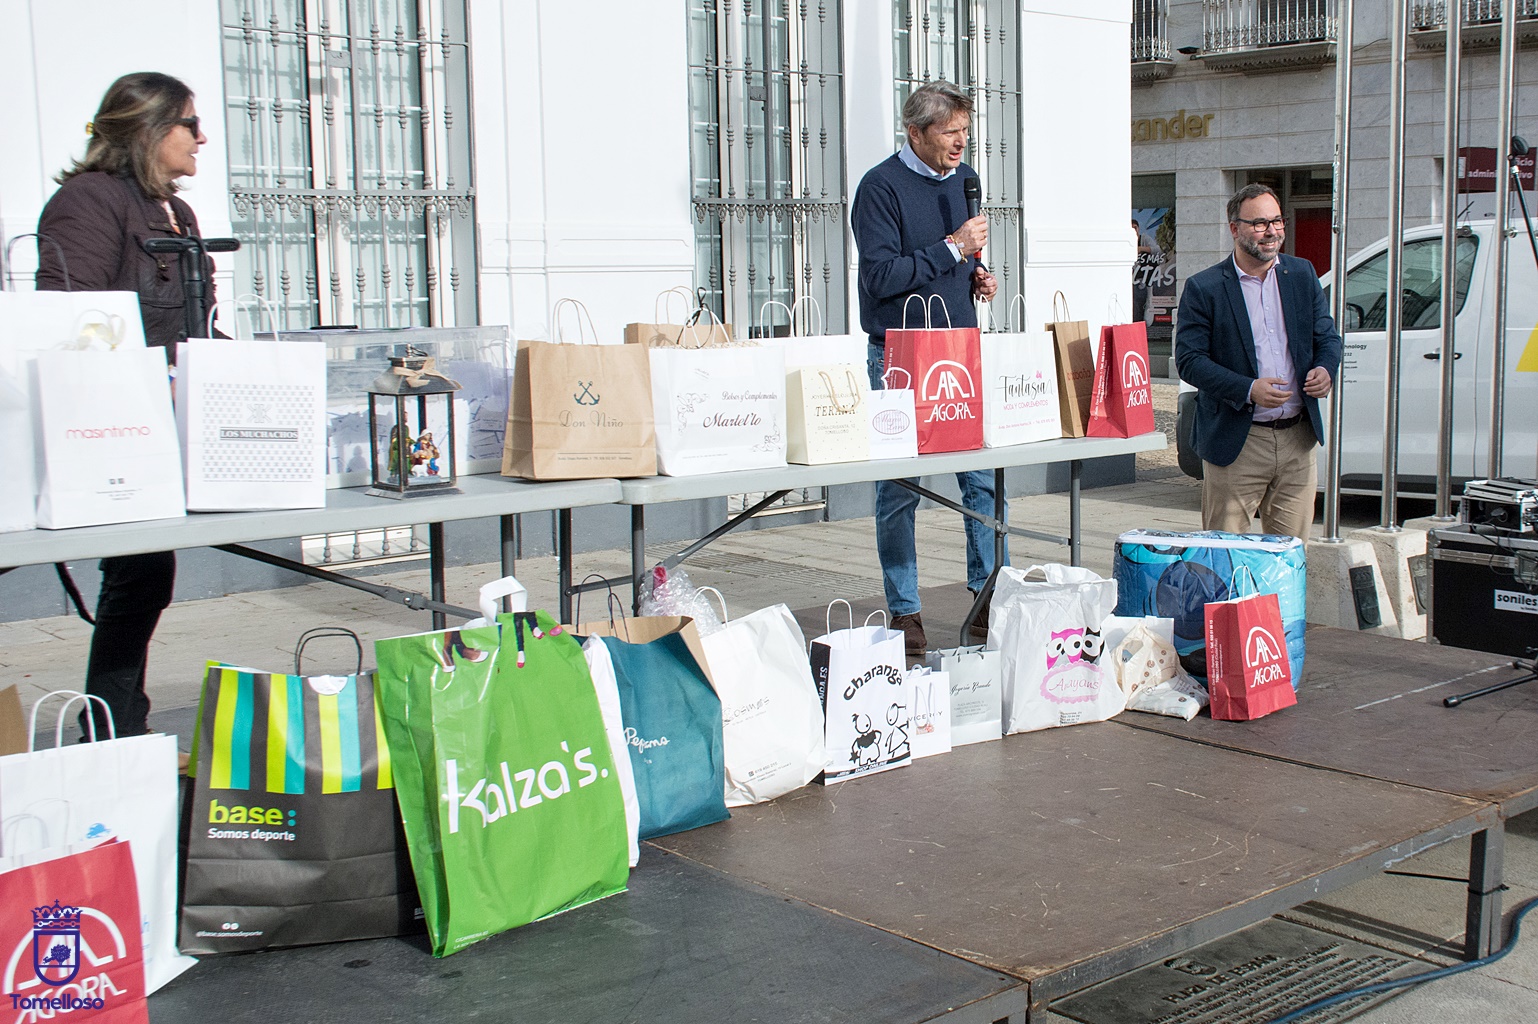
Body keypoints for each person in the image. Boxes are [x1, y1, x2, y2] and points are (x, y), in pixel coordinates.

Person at [35, 72, 215, 746]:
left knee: (144, 572)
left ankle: (112, 722)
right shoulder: (87, 201)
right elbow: (68, 320)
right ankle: (110, 727)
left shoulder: (176, 211)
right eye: (189, 123)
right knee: (138, 572)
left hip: (162, 426)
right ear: (148, 127)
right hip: (105, 428)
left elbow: (195, 322)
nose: (202, 138)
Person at [851, 81, 1001, 655]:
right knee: (899, 490)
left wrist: (975, 276)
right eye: (950, 132)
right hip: (897, 357)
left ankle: (989, 595)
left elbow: (957, 258)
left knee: (983, 481)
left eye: (966, 131)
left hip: (958, 349)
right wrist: (952, 249)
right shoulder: (879, 187)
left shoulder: (964, 186)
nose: (962, 142)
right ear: (915, 133)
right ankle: (905, 610)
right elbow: (881, 278)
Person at [1174, 183, 1342, 541]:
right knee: (1225, 555)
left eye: (1277, 221)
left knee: (1291, 557)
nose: (1272, 232)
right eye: (1260, 223)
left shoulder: (1301, 274)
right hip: (1238, 442)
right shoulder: (1205, 288)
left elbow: (1327, 337)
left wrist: (1326, 370)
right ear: (1235, 228)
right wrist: (1248, 389)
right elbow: (1189, 361)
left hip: (1298, 439)